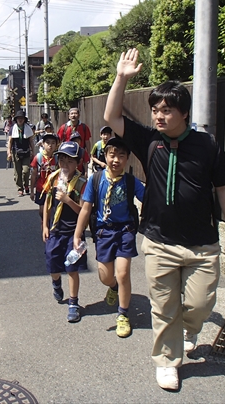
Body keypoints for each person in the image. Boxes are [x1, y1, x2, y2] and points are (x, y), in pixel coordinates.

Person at [104, 48, 225, 390]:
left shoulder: (207, 146)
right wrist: (121, 77)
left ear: (183, 113)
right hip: (158, 242)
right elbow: (111, 116)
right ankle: (167, 361)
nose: (159, 116)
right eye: (155, 110)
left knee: (199, 303)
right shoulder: (149, 141)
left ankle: (187, 331)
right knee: (164, 307)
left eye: (166, 110)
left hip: (201, 244)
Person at [74, 137, 145, 338]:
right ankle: (113, 287)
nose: (116, 160)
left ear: (127, 159)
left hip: (125, 231)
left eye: (121, 156)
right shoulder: (96, 180)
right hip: (104, 232)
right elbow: (86, 209)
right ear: (105, 156)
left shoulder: (131, 182)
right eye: (112, 155)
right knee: (105, 276)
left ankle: (123, 314)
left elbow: (148, 198)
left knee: (122, 274)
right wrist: (77, 235)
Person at [41, 141, 88, 323]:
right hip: (55, 230)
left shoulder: (82, 183)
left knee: (72, 268)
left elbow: (83, 211)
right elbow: (47, 203)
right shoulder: (54, 178)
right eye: (62, 160)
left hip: (74, 233)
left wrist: (68, 200)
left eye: (69, 161)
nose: (65, 165)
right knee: (53, 264)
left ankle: (74, 303)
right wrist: (45, 225)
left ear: (77, 163)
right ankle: (56, 283)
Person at [30, 133, 59, 219]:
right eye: (48, 142)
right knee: (42, 211)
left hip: (54, 188)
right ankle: (44, 225)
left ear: (57, 145)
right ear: (43, 144)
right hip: (41, 189)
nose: (50, 145)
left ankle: (50, 229)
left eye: (53, 143)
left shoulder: (58, 158)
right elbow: (34, 175)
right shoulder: (38, 157)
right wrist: (32, 191)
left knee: (54, 211)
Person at [7, 110, 35, 196]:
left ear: (24, 119)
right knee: (18, 172)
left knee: (26, 171)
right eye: (18, 118)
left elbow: (31, 141)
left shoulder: (28, 128)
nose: (20, 120)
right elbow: (10, 141)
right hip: (16, 152)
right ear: (16, 119)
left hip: (26, 152)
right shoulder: (13, 128)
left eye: (22, 118)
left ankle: (26, 185)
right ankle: (20, 188)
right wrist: (9, 152)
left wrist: (33, 152)